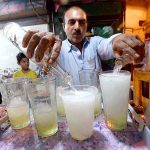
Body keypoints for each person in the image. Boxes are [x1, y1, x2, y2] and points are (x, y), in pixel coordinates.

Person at [22, 6, 145, 84]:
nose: (77, 27)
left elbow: (108, 44)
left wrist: (116, 40)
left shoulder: (95, 43)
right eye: (71, 22)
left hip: (96, 111)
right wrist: (42, 50)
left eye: (81, 22)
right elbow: (43, 66)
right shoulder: (56, 50)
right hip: (68, 113)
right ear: (64, 27)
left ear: (86, 26)